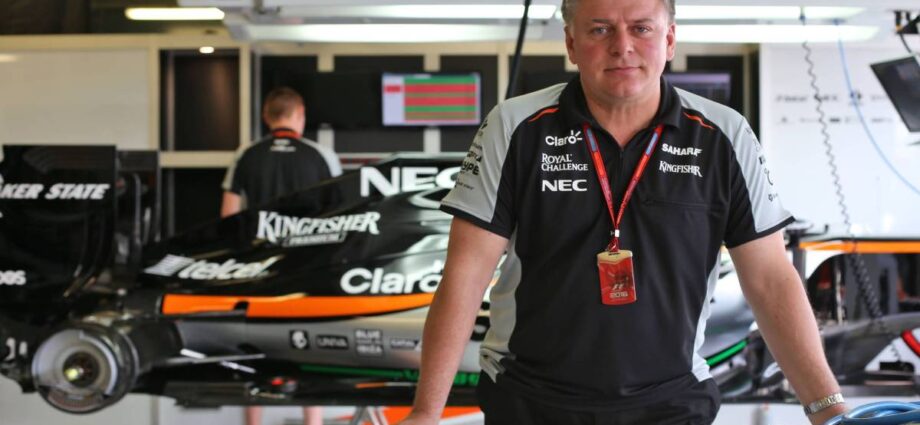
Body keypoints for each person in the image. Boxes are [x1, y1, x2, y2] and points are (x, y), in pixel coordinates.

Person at [399, 0, 847, 424]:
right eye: (600, 30)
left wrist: (828, 408)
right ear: (571, 43)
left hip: (671, 404)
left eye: (641, 28)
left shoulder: (723, 136)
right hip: (531, 402)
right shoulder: (514, 126)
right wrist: (425, 411)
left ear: (669, 40)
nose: (622, 46)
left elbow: (770, 279)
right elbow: (465, 273)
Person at [222, 86, 341, 425]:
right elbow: (339, 216)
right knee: (308, 346)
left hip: (258, 267)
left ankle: (254, 421)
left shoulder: (246, 154)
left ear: (266, 116)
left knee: (252, 347)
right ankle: (313, 421)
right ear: (300, 115)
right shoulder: (321, 155)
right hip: (307, 267)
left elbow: (228, 217)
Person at [221, 86, 342, 218]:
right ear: (300, 112)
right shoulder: (324, 154)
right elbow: (338, 212)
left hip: (258, 231)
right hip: (307, 231)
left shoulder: (245, 153)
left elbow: (229, 214)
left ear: (265, 115)